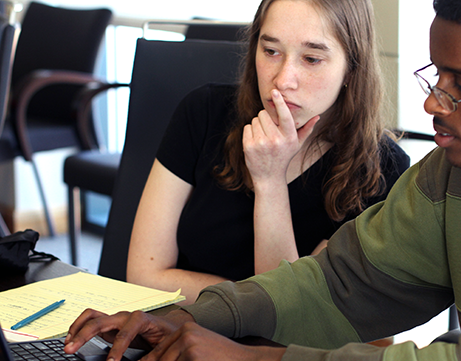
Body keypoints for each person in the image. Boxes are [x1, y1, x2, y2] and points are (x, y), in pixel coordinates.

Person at [65, 0, 461, 361]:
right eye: (437, 77)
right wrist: (182, 320)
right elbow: (337, 284)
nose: (433, 104)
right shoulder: (460, 172)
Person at [126, 0, 410, 303]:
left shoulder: (381, 169)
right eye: (271, 51)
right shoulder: (204, 112)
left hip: (278, 351)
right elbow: (144, 275)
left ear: (352, 67)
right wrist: (250, 300)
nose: (283, 80)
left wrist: (270, 180)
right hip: (177, 332)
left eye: (312, 59)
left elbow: (290, 311)